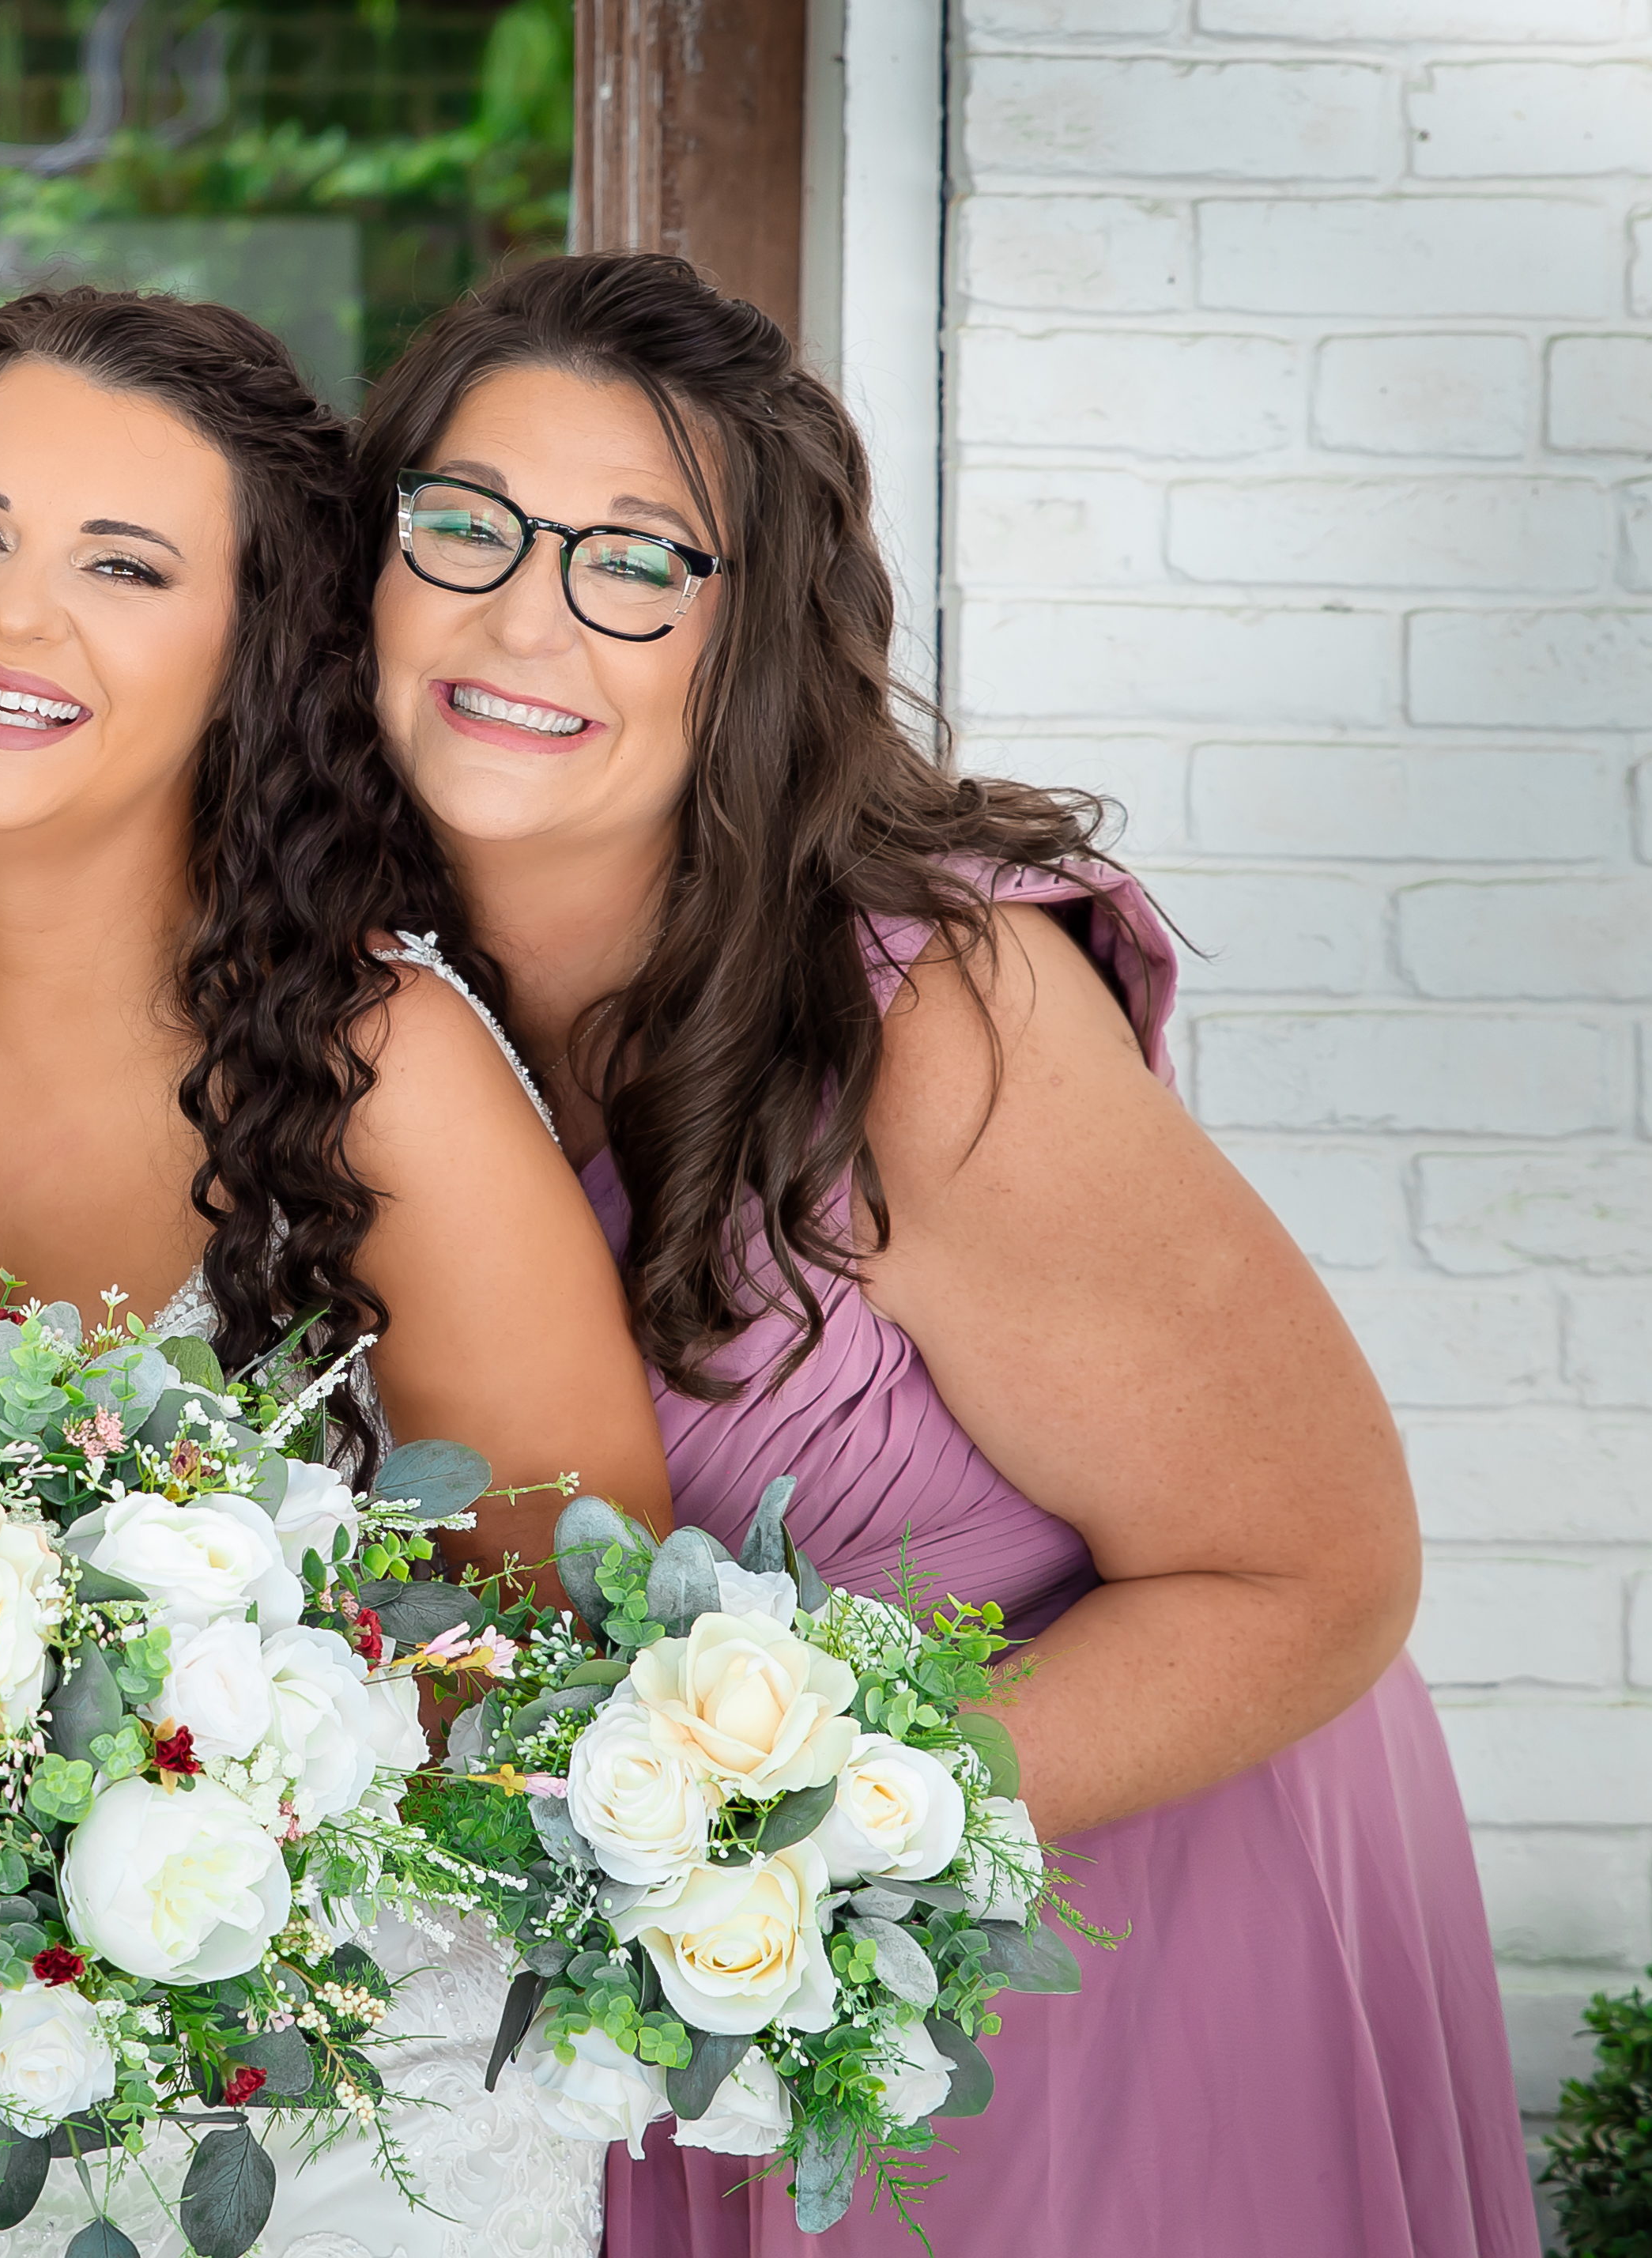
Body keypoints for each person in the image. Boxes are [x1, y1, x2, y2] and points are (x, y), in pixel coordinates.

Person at [354, 251, 1536, 2255]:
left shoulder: (931, 1017)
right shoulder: (358, 1006)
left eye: (637, 561)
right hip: (685, 2013)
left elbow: (1316, 1570)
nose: (522, 612)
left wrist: (763, 1850)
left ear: (754, 646)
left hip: (1101, 1939)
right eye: (462, 525)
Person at [0, 287, 675, 2258]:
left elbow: (579, 1662)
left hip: (360, 2136)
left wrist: (138, 1770)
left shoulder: (394, 1084)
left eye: (124, 566)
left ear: (250, 653)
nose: (14, 620)